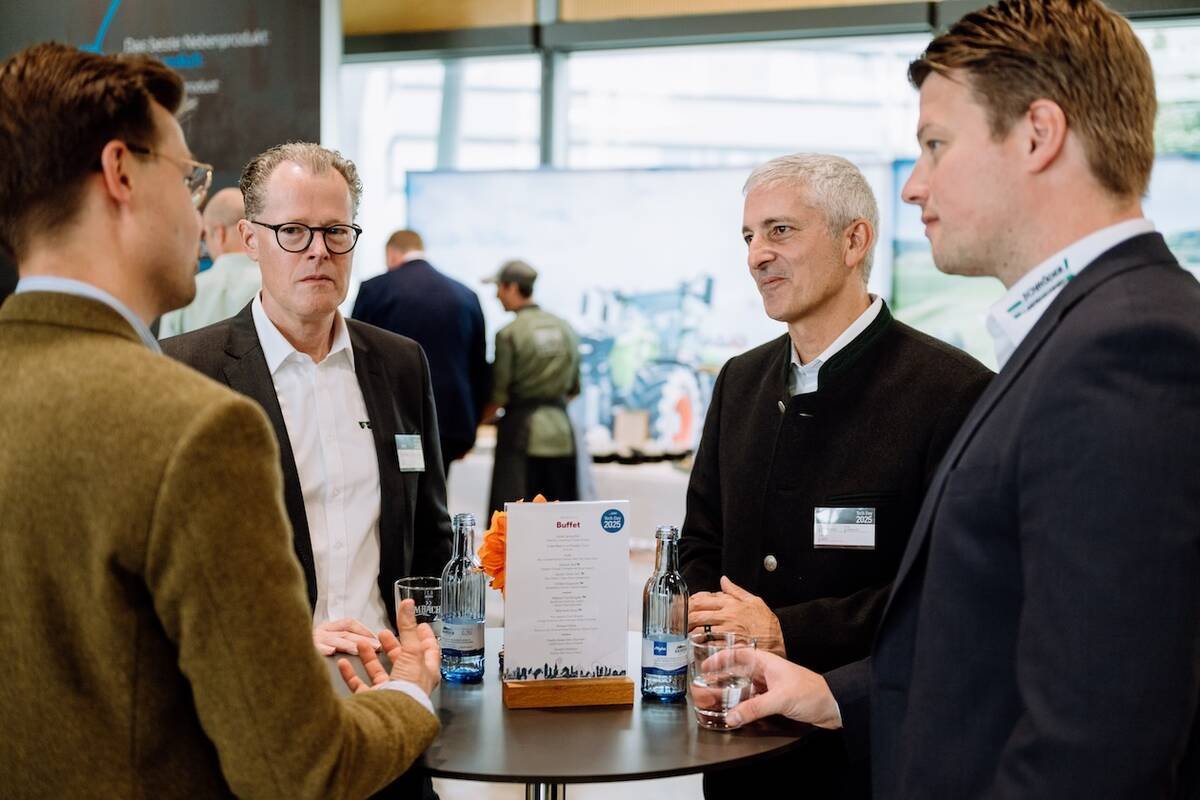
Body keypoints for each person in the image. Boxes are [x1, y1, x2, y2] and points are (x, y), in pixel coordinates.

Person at [721, 3, 1200, 798]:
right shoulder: (1076, 335)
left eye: (937, 145)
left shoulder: (1130, 351)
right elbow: (999, 644)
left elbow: (1101, 738)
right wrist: (835, 695)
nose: (913, 186)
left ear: (1039, 136)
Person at [0, 43, 441, 798]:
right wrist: (411, 693)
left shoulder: (397, 363)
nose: (202, 216)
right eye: (190, 177)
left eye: (336, 232)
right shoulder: (194, 417)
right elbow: (295, 767)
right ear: (120, 174)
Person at [679, 153, 991, 798]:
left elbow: (948, 588)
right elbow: (701, 539)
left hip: (865, 748)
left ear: (855, 240)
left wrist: (788, 631)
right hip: (738, 743)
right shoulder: (739, 380)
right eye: (748, 236)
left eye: (780, 231)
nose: (757, 255)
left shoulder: (951, 390)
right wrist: (713, 624)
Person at [352, 229, 490, 472]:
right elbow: (479, 368)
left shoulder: (375, 290)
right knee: (437, 496)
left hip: (394, 418)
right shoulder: (466, 296)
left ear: (392, 254)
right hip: (451, 422)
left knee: (399, 499)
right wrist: (472, 425)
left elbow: (357, 358)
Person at [483, 259, 581, 512]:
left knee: (516, 521)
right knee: (561, 521)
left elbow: (499, 396)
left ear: (512, 287)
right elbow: (574, 388)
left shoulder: (509, 333)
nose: (496, 295)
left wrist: (477, 424)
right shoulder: (565, 328)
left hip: (521, 436)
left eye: (499, 288)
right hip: (562, 434)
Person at [158, 187, 261, 336]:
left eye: (205, 234)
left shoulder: (182, 295)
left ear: (220, 234)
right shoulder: (278, 288)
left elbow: (164, 353)